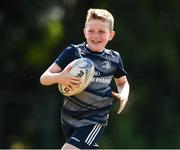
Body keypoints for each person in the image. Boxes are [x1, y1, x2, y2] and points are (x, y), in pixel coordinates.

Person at [40, 8, 130, 149]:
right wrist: (60, 77)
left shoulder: (114, 59)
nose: (95, 35)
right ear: (84, 32)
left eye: (101, 31)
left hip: (95, 119)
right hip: (69, 118)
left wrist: (124, 94)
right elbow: (44, 79)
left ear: (111, 35)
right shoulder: (73, 53)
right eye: (91, 31)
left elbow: (122, 82)